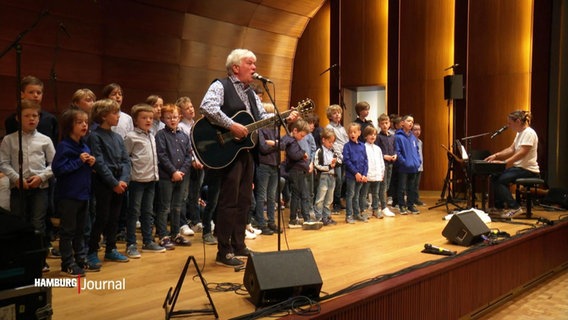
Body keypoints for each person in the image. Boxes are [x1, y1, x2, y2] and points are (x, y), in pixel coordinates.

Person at [199, 48, 297, 267]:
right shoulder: (220, 86)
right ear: (236, 68)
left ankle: (238, 243)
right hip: (226, 152)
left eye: (255, 63)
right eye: (250, 63)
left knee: (244, 200)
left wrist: (285, 116)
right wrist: (231, 125)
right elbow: (207, 107)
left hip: (246, 153)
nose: (255, 67)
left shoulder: (251, 92)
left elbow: (261, 119)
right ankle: (223, 251)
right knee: (229, 201)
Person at [0, 99, 55, 272]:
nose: (32, 119)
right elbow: (3, 163)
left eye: (35, 115)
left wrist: (41, 177)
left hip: (40, 187)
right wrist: (17, 178)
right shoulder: (9, 140)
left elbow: (54, 163)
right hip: (19, 188)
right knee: (19, 221)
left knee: (38, 222)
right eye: (27, 116)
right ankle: (19, 258)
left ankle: (39, 259)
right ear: (18, 118)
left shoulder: (45, 140)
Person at [86, 99, 131, 266]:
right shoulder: (95, 136)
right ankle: (91, 250)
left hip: (120, 182)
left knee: (115, 217)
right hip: (104, 182)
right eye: (114, 113)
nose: (118, 116)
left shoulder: (118, 137)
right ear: (104, 116)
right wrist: (113, 183)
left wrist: (124, 180)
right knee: (102, 217)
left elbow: (126, 160)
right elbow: (99, 162)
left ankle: (111, 248)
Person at [52, 108, 96, 276]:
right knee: (68, 231)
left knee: (81, 230)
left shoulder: (84, 145)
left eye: (86, 122)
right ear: (70, 126)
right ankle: (67, 263)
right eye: (79, 122)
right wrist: (78, 161)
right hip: (69, 195)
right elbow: (58, 169)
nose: (84, 125)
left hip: (84, 194)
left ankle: (80, 259)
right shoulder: (64, 146)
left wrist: (91, 163)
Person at [124, 104, 165, 259]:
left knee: (148, 212)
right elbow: (126, 157)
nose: (148, 120)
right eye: (144, 118)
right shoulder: (131, 137)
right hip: (137, 180)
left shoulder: (152, 136)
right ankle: (131, 244)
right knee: (134, 212)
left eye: (150, 117)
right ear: (135, 120)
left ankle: (148, 241)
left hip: (151, 179)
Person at [484, 110, 540, 218]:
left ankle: (515, 208)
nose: (509, 126)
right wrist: (496, 155)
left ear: (518, 121)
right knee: (494, 176)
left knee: (500, 180)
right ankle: (499, 208)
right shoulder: (519, 133)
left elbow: (522, 153)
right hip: (519, 168)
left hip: (528, 170)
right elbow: (511, 149)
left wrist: (505, 163)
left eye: (510, 123)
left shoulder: (529, 133)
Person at [155, 104, 192, 249]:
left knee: (177, 206)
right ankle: (163, 235)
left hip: (182, 176)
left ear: (179, 117)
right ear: (163, 119)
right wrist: (173, 172)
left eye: (175, 117)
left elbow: (189, 156)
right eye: (169, 117)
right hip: (167, 176)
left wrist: (181, 171)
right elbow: (162, 155)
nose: (172, 120)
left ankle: (175, 233)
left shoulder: (184, 135)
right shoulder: (161, 135)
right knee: (165, 207)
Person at [281, 119, 317, 229]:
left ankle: (295, 219)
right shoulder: (290, 140)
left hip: (299, 170)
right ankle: (305, 219)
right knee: (302, 194)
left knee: (298, 195)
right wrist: (303, 153)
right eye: (301, 135)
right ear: (295, 131)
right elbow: (294, 155)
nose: (302, 138)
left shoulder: (293, 140)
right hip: (295, 171)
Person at [177, 96, 203, 238]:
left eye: (192, 106)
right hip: (187, 164)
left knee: (195, 194)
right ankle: (182, 223)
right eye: (187, 108)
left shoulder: (196, 124)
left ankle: (195, 219)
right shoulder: (181, 126)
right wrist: (193, 160)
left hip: (199, 164)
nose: (191, 109)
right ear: (181, 112)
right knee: (184, 195)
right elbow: (187, 148)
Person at [253, 102, 280, 235]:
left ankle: (271, 221)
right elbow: (263, 147)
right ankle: (261, 223)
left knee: (272, 196)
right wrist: (275, 144)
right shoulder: (260, 129)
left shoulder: (275, 129)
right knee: (261, 195)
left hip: (275, 164)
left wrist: (273, 143)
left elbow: (283, 144)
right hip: (263, 165)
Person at [394, 115, 421, 215]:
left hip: (414, 167)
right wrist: (404, 162)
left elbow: (417, 151)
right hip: (403, 167)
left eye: (412, 122)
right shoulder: (398, 137)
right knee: (402, 187)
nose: (411, 123)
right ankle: (402, 205)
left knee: (412, 187)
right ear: (402, 123)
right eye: (409, 121)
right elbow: (398, 152)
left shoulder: (413, 137)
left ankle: (410, 205)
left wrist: (418, 161)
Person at [342, 123, 368, 223]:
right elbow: (347, 161)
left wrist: (364, 174)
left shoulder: (362, 146)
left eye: (354, 132)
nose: (352, 134)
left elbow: (365, 161)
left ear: (359, 133)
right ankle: (349, 215)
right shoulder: (347, 146)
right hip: (351, 176)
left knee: (357, 195)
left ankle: (357, 214)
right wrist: (356, 173)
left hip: (361, 176)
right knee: (350, 195)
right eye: (350, 132)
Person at [325, 104, 348, 212]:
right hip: (336, 157)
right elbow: (333, 144)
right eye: (334, 113)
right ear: (330, 116)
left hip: (344, 156)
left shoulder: (342, 128)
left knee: (343, 179)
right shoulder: (329, 128)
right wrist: (340, 155)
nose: (337, 115)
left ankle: (339, 200)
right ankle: (335, 203)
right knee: (337, 180)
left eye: (339, 112)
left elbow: (345, 142)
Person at [313, 128, 338, 226]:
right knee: (320, 198)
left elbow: (337, 161)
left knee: (329, 199)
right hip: (323, 176)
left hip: (332, 176)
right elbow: (316, 164)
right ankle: (318, 217)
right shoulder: (319, 151)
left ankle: (326, 216)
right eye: (329, 142)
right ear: (323, 140)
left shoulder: (333, 151)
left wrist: (336, 162)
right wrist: (328, 167)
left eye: (332, 142)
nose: (331, 144)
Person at [362, 126, 385, 218]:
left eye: (374, 134)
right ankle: (363, 210)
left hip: (377, 175)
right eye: (370, 134)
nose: (373, 136)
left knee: (376, 193)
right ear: (366, 136)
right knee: (364, 194)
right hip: (367, 174)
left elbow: (381, 162)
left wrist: (382, 173)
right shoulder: (363, 147)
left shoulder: (378, 148)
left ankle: (375, 209)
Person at [376, 113, 397, 217]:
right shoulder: (378, 137)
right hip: (383, 163)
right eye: (382, 123)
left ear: (389, 124)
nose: (385, 125)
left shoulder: (392, 137)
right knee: (383, 185)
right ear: (379, 125)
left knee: (387, 185)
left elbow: (395, 147)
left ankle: (382, 203)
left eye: (386, 123)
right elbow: (377, 150)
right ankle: (383, 206)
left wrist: (395, 155)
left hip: (390, 163)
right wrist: (385, 156)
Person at [412, 122, 425, 206]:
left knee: (416, 184)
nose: (417, 131)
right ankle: (411, 200)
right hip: (413, 166)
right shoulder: (411, 141)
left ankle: (416, 199)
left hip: (419, 166)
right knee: (412, 184)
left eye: (419, 129)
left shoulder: (420, 142)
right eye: (415, 129)